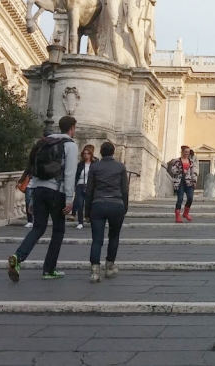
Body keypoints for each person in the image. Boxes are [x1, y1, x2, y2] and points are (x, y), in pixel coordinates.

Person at [8, 116, 79, 282]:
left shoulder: (45, 143)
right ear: (72, 128)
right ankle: (49, 269)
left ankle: (19, 257)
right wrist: (69, 199)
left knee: (38, 228)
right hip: (56, 192)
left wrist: (31, 199)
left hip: (39, 190)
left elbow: (34, 172)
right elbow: (69, 174)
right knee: (58, 230)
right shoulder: (70, 145)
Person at [85, 141, 129, 283]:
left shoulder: (94, 167)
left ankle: (95, 271)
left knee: (97, 240)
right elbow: (124, 190)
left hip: (98, 204)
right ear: (113, 152)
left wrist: (87, 210)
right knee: (114, 237)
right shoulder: (120, 167)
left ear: (101, 153)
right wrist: (125, 207)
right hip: (116, 204)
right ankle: (109, 267)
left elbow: (90, 190)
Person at [168, 146, 198, 222]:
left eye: (188, 152)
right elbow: (173, 171)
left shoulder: (191, 161)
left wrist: (194, 181)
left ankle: (186, 213)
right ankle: (177, 216)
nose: (187, 153)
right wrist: (181, 171)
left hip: (189, 182)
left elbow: (193, 172)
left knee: (190, 198)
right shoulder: (177, 161)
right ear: (182, 152)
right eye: (186, 152)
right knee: (180, 199)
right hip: (179, 182)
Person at [73, 145, 97, 229]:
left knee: (90, 204)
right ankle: (80, 222)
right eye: (84, 153)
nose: (86, 155)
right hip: (80, 185)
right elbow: (76, 175)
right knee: (80, 204)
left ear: (91, 155)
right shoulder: (80, 165)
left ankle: (89, 218)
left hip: (90, 186)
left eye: (88, 153)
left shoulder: (94, 165)